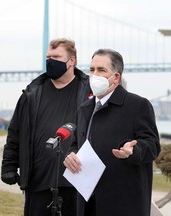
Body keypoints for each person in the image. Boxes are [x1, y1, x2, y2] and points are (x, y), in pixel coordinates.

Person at [63, 49, 161, 216]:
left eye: (101, 70)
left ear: (116, 77)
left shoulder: (137, 105)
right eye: (92, 69)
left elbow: (153, 146)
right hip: (87, 201)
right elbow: (76, 144)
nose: (95, 75)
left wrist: (133, 151)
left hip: (123, 203)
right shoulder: (84, 109)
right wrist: (70, 155)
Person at [1, 38, 91, 216]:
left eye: (56, 57)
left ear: (71, 60)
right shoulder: (31, 94)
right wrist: (9, 166)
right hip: (38, 182)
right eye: (48, 57)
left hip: (77, 182)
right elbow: (15, 132)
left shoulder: (89, 92)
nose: (50, 61)